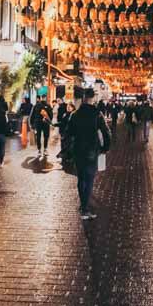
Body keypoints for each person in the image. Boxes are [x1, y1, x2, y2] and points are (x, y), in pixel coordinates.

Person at [67, 88, 111, 219]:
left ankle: (83, 204)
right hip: (92, 150)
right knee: (90, 178)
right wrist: (105, 148)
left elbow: (68, 133)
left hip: (78, 150)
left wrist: (70, 149)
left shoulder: (75, 114)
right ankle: (85, 209)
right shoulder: (97, 114)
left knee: (81, 179)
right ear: (93, 98)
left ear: (84, 98)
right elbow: (106, 133)